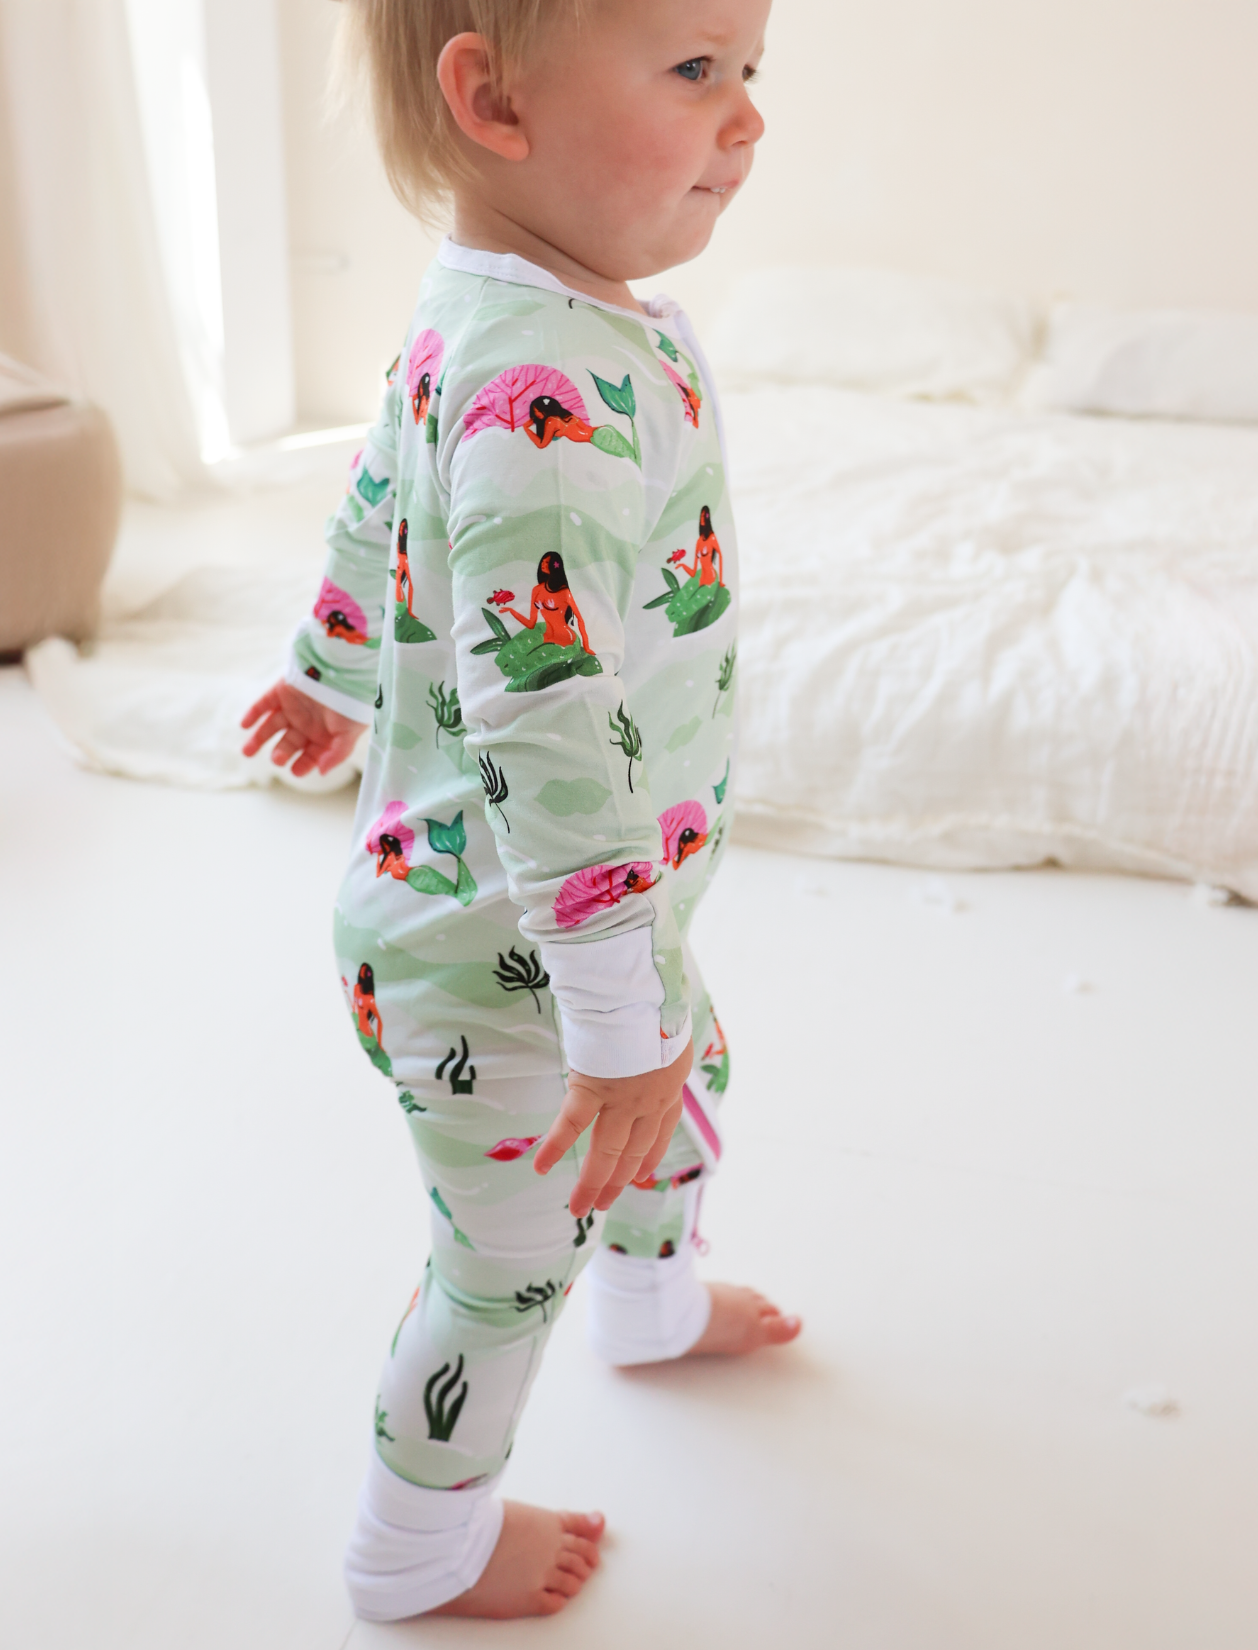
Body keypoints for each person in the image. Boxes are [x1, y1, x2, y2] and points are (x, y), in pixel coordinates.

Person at [238, 0, 795, 1622]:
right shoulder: (537, 390)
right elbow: (543, 718)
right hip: (496, 952)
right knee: (501, 1269)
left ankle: (654, 1304)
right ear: (492, 101)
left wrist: (330, 664)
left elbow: (379, 491)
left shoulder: (509, 309)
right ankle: (414, 1545)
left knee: (686, 1092)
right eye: (694, 71)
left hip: (596, 910)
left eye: (748, 71)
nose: (746, 119)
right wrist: (616, 1013)